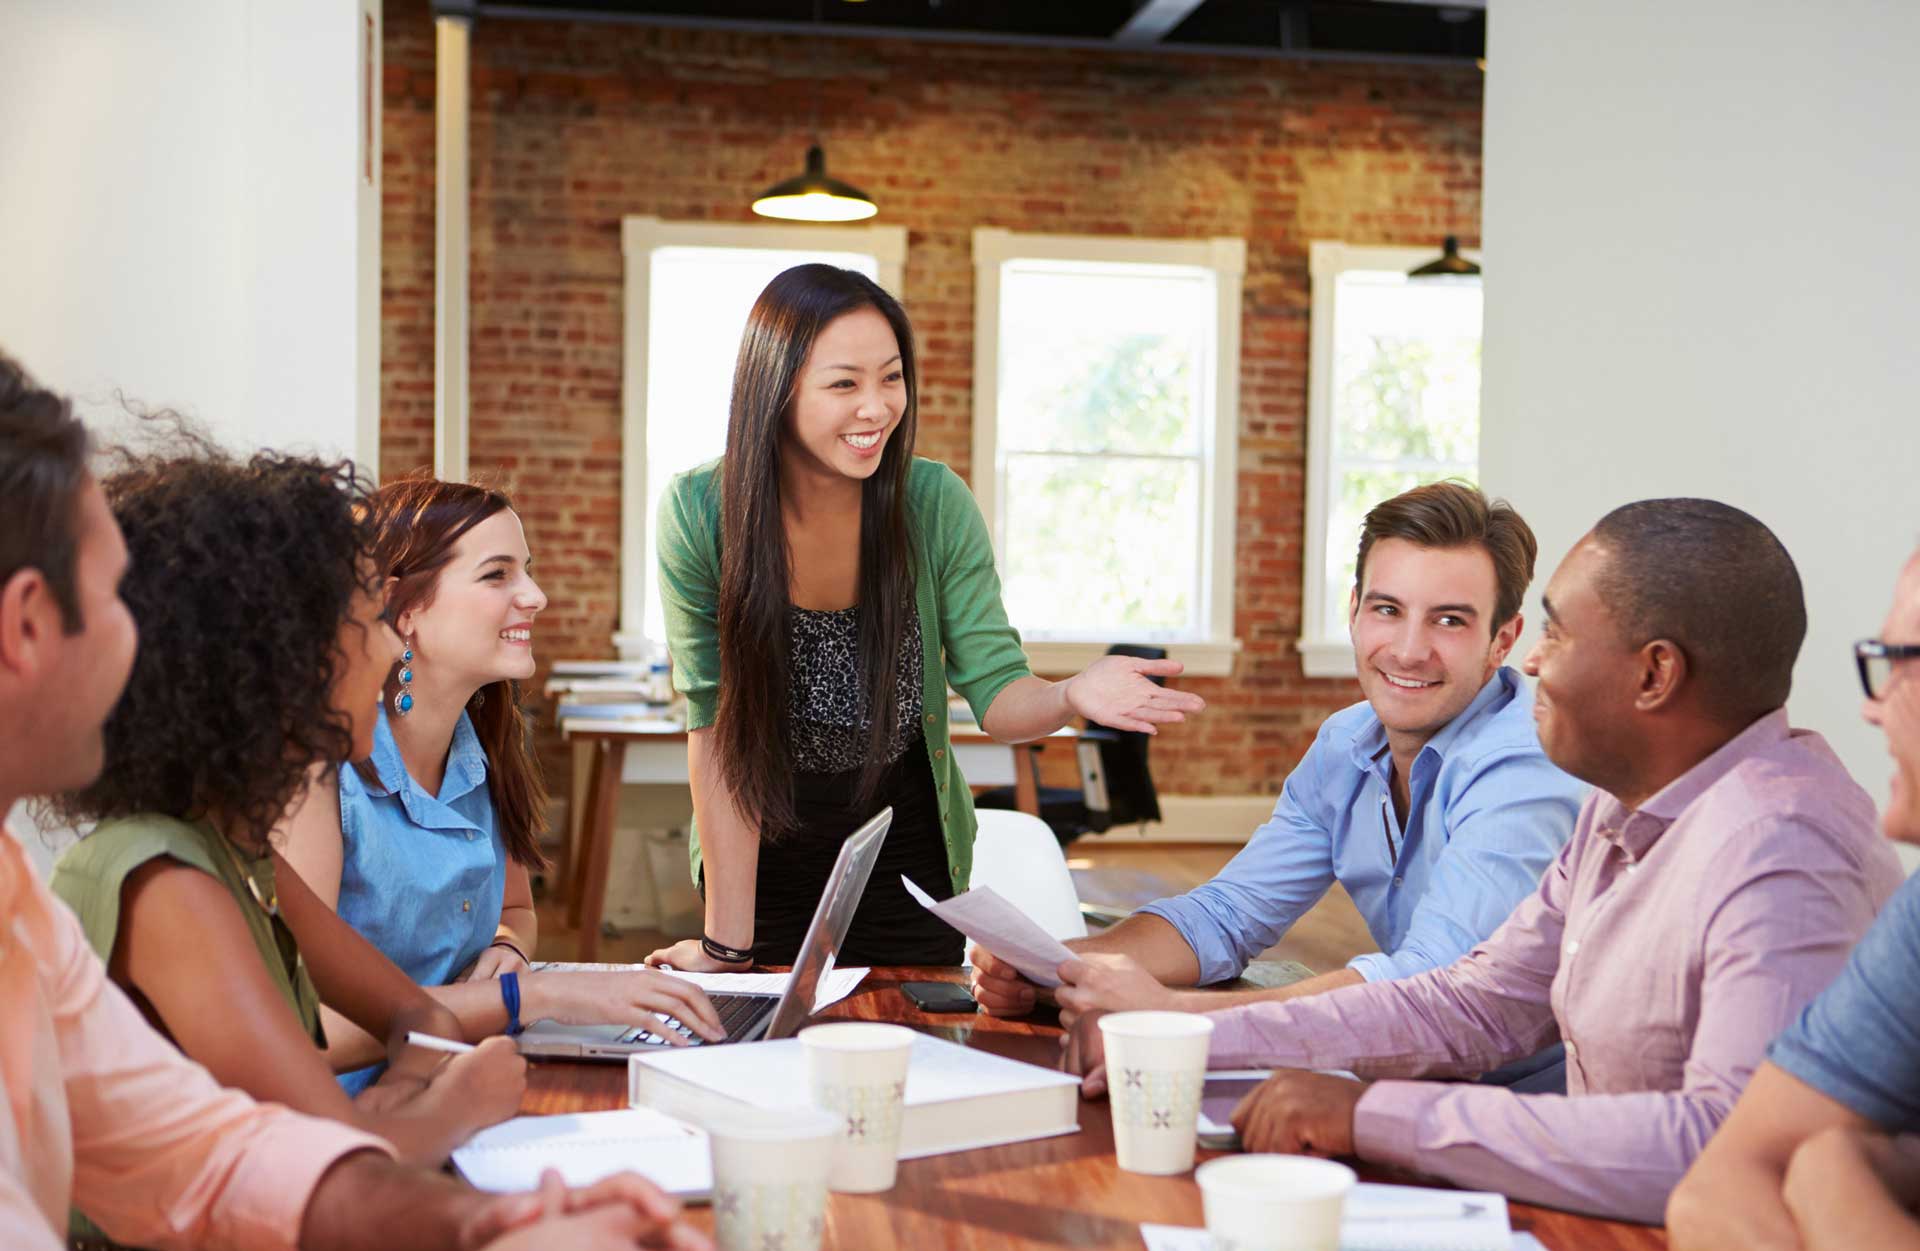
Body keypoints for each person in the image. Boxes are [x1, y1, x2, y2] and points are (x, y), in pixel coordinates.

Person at [0, 352, 719, 1251]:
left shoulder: (68, 897)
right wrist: (447, 1101)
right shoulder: (158, 871)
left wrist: (495, 1226)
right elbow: (324, 1125)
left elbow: (236, 1160)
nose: (136, 637)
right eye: (108, 598)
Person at [1066, 498, 1903, 1224]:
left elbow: (1722, 1151)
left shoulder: (1776, 847)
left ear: (1655, 675)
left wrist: (1375, 1116)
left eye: (1559, 632)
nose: (1536, 659)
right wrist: (1188, 1032)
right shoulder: (1623, 804)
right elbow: (1474, 1001)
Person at [645, 263, 1205, 972]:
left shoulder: (933, 503)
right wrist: (728, 944)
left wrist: (1069, 694)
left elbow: (999, 694)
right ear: (776, 387)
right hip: (763, 859)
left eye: (891, 378)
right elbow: (718, 729)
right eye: (844, 383)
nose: (876, 408)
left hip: (906, 850)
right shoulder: (700, 513)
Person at [974, 482, 1586, 1053]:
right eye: (1388, 610)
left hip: (1526, 1099)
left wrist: (1175, 1017)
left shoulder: (1523, 769)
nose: (1407, 649)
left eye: (1449, 620)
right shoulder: (1347, 743)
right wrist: (1059, 966)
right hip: (1405, 1060)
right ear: (1353, 610)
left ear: (1504, 640)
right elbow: (1229, 914)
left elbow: (1432, 983)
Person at [280, 476, 725, 1094]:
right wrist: (527, 995)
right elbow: (304, 1032)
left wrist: (513, 954)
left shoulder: (481, 744)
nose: (535, 596)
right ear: (404, 608)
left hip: (461, 1082)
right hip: (349, 1125)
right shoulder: (321, 774)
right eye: (497, 575)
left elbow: (515, 911)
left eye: (528, 571)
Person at [1667, 550, 1920, 1251]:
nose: (1873, 706)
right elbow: (1710, 1198)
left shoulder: (1781, 832)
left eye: (1899, 662)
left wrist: (1830, 1173)